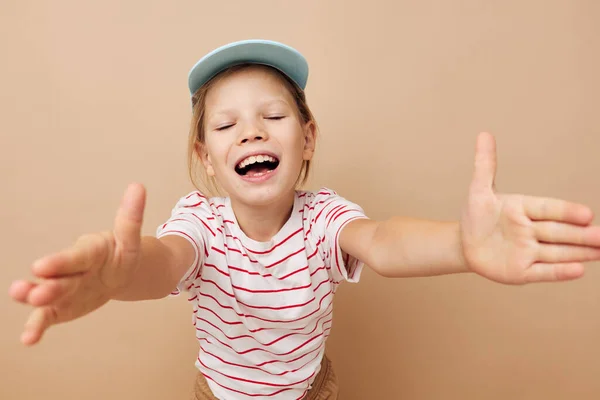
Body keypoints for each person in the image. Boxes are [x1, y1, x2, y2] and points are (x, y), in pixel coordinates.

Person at [8, 39, 600, 400]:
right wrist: (118, 280)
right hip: (217, 396)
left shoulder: (325, 219)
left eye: (273, 115)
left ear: (308, 138)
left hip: (313, 391)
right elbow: (163, 265)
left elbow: (383, 242)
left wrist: (460, 245)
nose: (252, 131)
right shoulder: (199, 223)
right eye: (225, 125)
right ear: (205, 159)